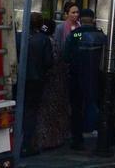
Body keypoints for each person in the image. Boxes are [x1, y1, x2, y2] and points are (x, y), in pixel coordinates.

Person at [62, 8, 107, 151]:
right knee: (98, 104)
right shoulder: (100, 35)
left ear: (80, 19)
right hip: (96, 76)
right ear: (94, 19)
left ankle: (77, 140)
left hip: (77, 76)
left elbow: (66, 56)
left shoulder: (74, 35)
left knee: (76, 108)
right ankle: (100, 137)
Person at [33, 18, 71, 151]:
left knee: (45, 112)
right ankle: (53, 139)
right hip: (56, 81)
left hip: (48, 81)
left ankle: (44, 140)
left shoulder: (41, 40)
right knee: (54, 113)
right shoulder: (53, 42)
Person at [21, 13, 54, 156]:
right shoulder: (43, 39)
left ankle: (18, 141)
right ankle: (26, 145)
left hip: (21, 78)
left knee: (20, 110)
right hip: (36, 79)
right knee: (31, 112)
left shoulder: (19, 37)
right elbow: (48, 62)